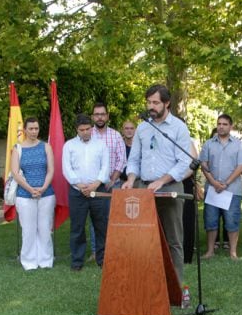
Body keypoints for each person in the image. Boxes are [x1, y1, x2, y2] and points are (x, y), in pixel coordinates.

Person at [122, 84, 192, 281]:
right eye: (148, 102)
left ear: (167, 103)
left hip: (170, 188)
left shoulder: (179, 127)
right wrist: (131, 179)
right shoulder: (143, 128)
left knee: (173, 240)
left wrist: (162, 181)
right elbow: (134, 159)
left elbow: (184, 162)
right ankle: (147, 285)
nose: (151, 106)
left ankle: (175, 288)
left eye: (155, 102)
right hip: (143, 189)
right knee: (143, 239)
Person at [63, 114, 110, 271]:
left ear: (92, 128)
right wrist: (80, 185)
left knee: (101, 226)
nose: (85, 132)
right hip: (78, 192)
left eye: (88, 129)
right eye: (82, 129)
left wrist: (95, 184)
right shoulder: (69, 146)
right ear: (76, 129)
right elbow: (67, 168)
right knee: (77, 227)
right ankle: (77, 262)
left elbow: (105, 167)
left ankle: (102, 259)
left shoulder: (101, 145)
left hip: (98, 191)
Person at [200, 114, 242, 260]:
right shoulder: (208, 144)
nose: (221, 126)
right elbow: (203, 164)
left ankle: (233, 252)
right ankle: (210, 251)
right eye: (219, 123)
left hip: (231, 190)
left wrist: (226, 183)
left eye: (225, 124)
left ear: (231, 126)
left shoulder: (239, 145)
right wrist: (213, 182)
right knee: (211, 221)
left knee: (232, 221)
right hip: (213, 190)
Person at [11, 117, 55, 270]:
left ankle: (46, 260)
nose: (34, 131)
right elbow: (15, 173)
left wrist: (42, 188)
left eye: (36, 128)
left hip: (46, 193)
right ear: (24, 129)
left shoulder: (46, 147)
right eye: (31, 128)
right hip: (24, 195)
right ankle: (29, 262)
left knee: (45, 228)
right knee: (28, 230)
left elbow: (51, 170)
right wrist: (30, 189)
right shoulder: (17, 149)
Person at [86, 103, 127, 261]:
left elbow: (121, 160)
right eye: (96, 114)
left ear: (107, 116)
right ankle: (96, 251)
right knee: (95, 218)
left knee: (114, 218)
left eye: (102, 114)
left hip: (113, 183)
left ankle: (113, 250)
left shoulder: (116, 135)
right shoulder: (89, 135)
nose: (100, 117)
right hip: (94, 185)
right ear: (92, 117)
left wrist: (113, 180)